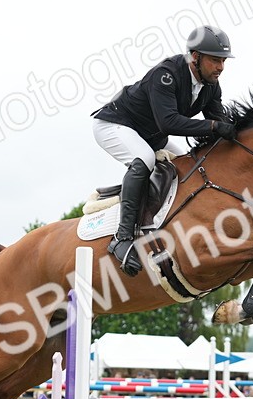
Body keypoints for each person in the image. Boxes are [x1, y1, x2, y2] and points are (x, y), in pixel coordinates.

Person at [92, 25, 236, 275]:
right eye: (215, 60)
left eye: (223, 61)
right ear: (195, 57)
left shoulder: (211, 86)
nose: (221, 67)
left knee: (186, 165)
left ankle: (160, 225)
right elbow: (168, 122)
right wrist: (213, 126)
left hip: (150, 134)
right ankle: (122, 238)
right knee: (145, 159)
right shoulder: (166, 75)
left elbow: (219, 126)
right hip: (115, 124)